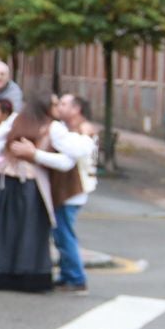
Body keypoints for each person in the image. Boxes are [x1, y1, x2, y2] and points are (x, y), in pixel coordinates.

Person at [0, 92, 71, 293]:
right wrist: (35, 156)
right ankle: (24, 276)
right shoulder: (50, 127)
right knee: (26, 231)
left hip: (12, 184)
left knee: (3, 230)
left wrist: (34, 154)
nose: (58, 108)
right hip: (25, 187)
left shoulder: (23, 122)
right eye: (54, 104)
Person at [49, 93, 99, 293]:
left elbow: (76, 154)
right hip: (69, 189)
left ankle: (76, 278)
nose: (59, 107)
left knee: (64, 234)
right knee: (61, 235)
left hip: (73, 191)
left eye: (63, 104)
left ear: (76, 109)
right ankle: (66, 275)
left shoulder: (83, 130)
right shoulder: (70, 128)